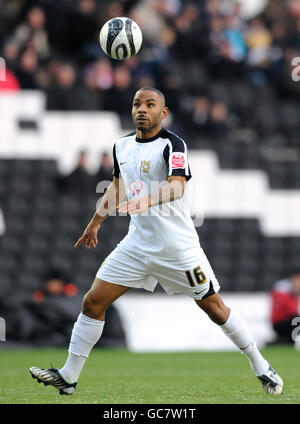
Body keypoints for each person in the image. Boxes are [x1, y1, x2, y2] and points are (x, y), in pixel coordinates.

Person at [29, 87, 283, 396]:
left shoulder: (172, 144)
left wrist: (145, 201)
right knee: (93, 302)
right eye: (137, 103)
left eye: (150, 104)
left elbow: (177, 187)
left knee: (215, 309)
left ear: (163, 113)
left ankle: (260, 365)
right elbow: (117, 187)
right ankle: (68, 377)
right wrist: (95, 223)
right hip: (136, 246)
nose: (142, 109)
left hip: (178, 249)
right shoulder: (121, 146)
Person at [269, 270, 300, 346]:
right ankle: (288, 341)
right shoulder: (283, 291)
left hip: (283, 322)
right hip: (279, 322)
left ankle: (283, 341)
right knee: (297, 319)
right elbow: (290, 310)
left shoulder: (288, 291)